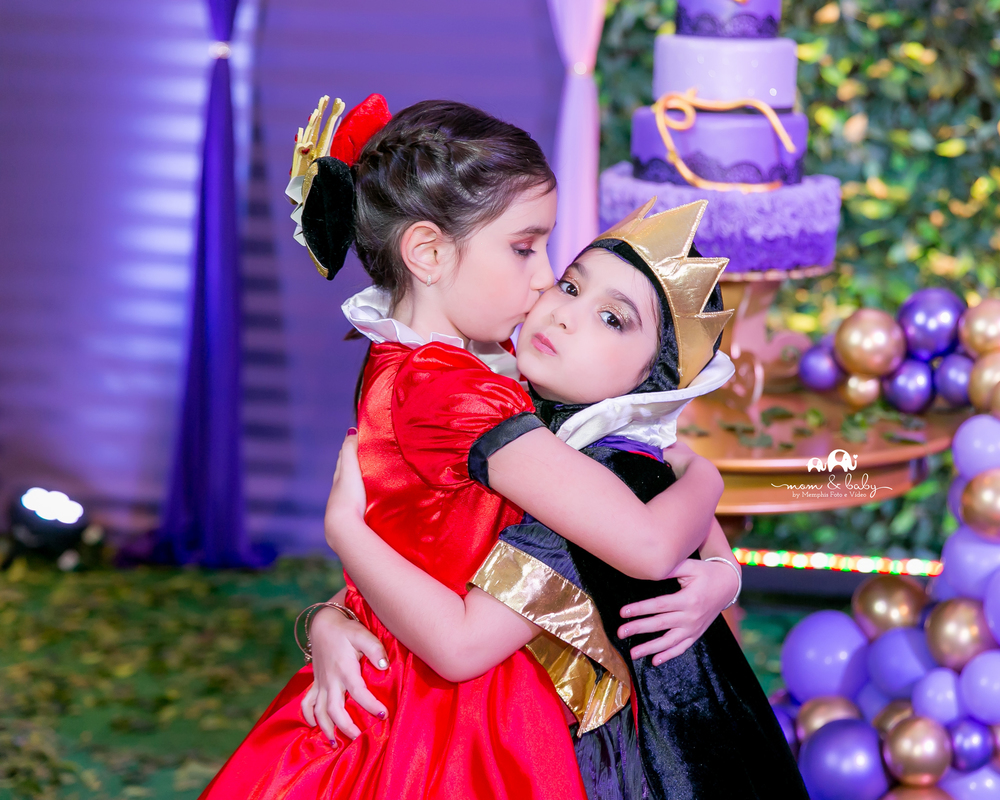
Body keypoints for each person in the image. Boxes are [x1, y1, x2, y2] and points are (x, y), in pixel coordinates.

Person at [199, 96, 734, 800]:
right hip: (457, 720)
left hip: (430, 668)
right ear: (427, 253)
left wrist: (331, 614)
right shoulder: (455, 395)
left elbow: (424, 546)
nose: (543, 279)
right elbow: (646, 542)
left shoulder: (430, 361)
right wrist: (706, 474)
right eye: (524, 247)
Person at [316, 199, 809, 799]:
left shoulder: (595, 478)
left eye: (613, 319)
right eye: (572, 286)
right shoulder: (521, 421)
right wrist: (332, 615)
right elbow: (430, 558)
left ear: (653, 380)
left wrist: (345, 530)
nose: (566, 314)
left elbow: (461, 644)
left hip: (611, 758)